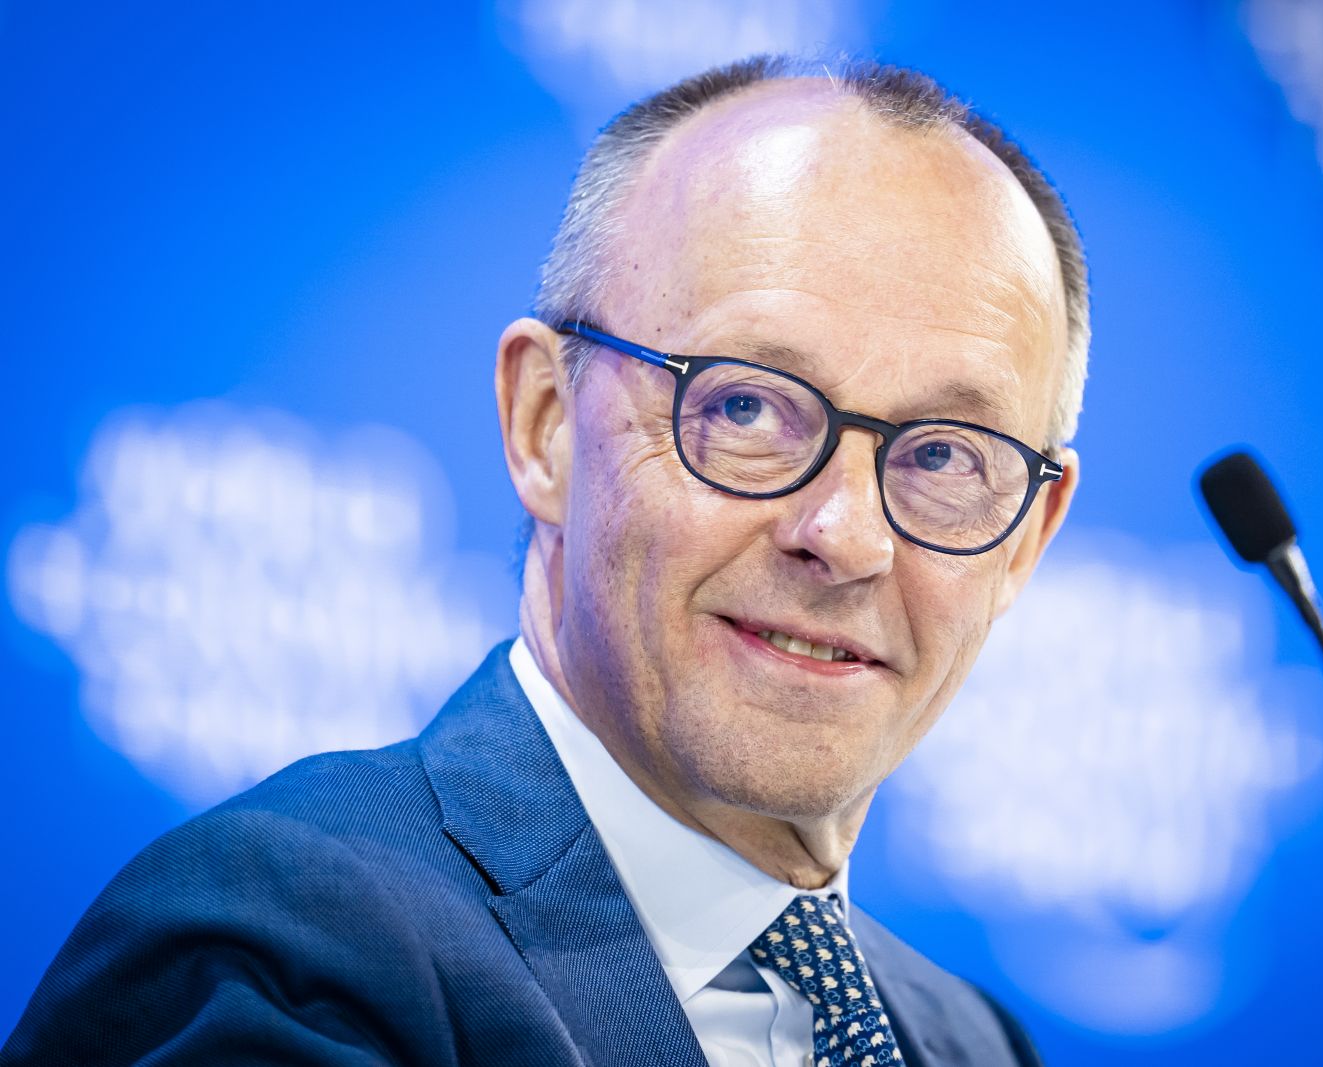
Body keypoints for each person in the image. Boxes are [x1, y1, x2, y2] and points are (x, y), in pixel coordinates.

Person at [2, 53, 1087, 1067]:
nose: (845, 535)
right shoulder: (284, 955)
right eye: (747, 407)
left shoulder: (966, 1039)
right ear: (545, 425)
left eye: (945, 455)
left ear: (1026, 542)